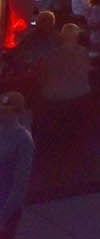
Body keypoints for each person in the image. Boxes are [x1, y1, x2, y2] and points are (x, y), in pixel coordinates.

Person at [0, 92, 32, 239]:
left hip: (6, 208)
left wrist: (3, 217)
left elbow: (19, 186)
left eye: (6, 110)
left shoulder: (23, 140)